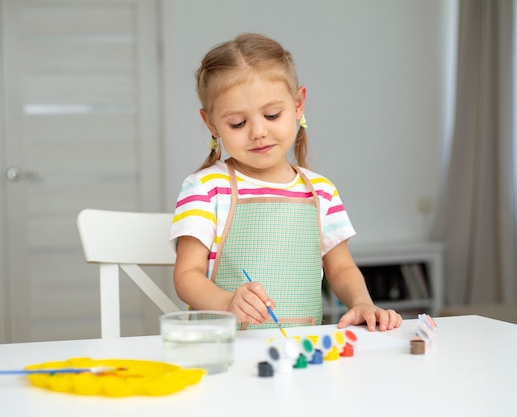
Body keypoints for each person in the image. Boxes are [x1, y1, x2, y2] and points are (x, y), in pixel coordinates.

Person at [170, 33, 402, 332]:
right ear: (211, 123)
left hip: (299, 351)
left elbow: (341, 266)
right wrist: (227, 303)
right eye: (237, 123)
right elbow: (187, 275)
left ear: (298, 105)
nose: (258, 132)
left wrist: (361, 302)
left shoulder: (321, 191)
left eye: (271, 114)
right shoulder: (205, 188)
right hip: (225, 350)